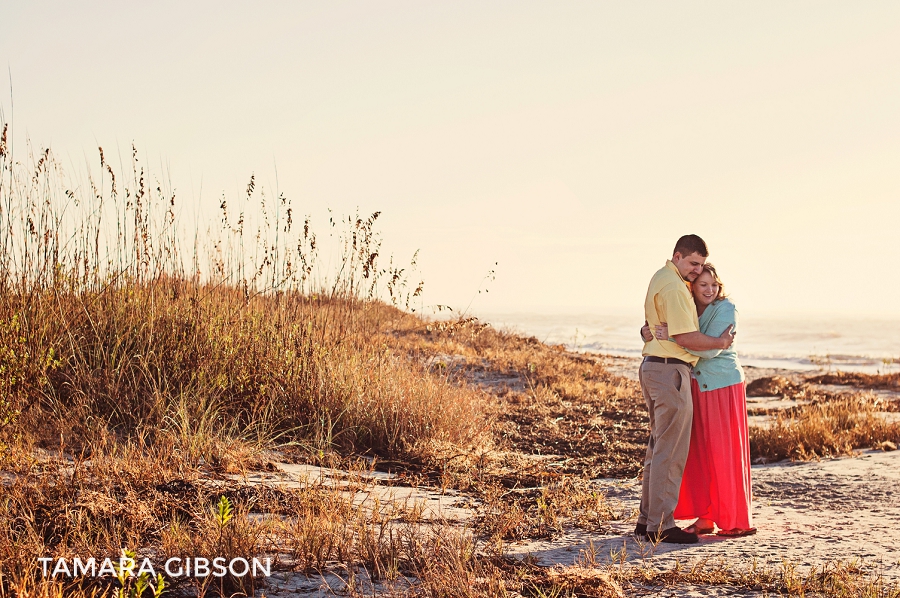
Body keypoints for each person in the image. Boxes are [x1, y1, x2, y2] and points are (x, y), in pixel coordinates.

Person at [642, 263, 755, 538]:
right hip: (694, 385)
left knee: (723, 452)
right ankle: (705, 518)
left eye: (714, 284)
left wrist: (671, 337)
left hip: (721, 385)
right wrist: (650, 332)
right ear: (693, 286)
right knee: (699, 455)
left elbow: (712, 351)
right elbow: (654, 325)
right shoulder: (687, 304)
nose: (710, 290)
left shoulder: (726, 309)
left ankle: (733, 520)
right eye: (703, 284)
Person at [635, 235, 735, 544]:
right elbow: (686, 337)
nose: (696, 270)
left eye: (702, 265)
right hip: (669, 371)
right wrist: (721, 342)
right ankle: (661, 525)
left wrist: (647, 331)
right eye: (693, 263)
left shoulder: (661, 277)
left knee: (657, 447)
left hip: (654, 367)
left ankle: (647, 521)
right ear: (677, 255)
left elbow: (654, 325)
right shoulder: (676, 287)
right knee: (671, 450)